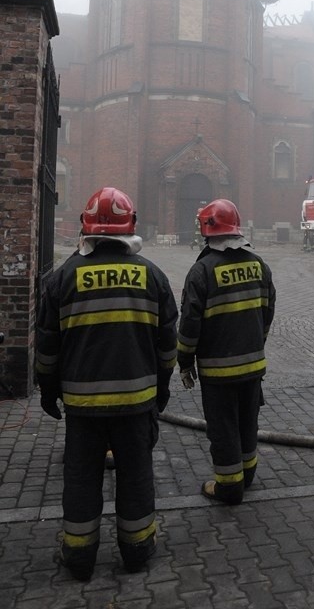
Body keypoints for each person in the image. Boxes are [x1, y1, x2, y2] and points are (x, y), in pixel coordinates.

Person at [36, 187, 178, 580]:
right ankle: (137, 550)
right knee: (136, 474)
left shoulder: (62, 278)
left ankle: (80, 556)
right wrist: (162, 388)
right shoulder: (152, 276)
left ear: (86, 227)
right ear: (129, 225)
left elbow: (47, 347)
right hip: (137, 403)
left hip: (82, 407)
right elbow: (168, 344)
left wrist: (48, 390)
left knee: (81, 477)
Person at [177, 198, 276, 505]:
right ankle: (247, 474)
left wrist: (184, 360)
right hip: (252, 365)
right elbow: (267, 311)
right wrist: (255, 342)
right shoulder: (259, 265)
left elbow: (190, 323)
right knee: (248, 421)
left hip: (218, 371)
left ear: (206, 230)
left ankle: (229, 486)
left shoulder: (202, 271)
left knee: (223, 427)